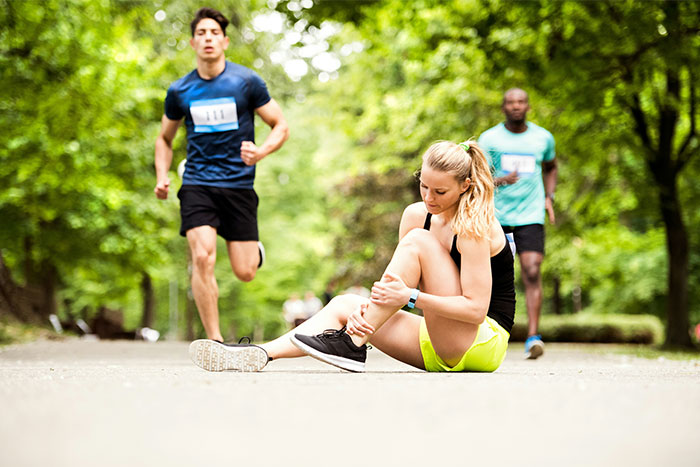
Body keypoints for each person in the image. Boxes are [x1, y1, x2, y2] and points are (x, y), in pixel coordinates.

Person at [188, 140, 515, 373]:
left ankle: (352, 341)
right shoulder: (418, 215)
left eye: (439, 192)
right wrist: (377, 309)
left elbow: (474, 310)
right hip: (437, 338)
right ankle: (259, 354)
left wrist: (410, 297)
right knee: (345, 304)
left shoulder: (475, 225)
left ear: (466, 185)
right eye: (423, 186)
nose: (428, 198)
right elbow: (397, 290)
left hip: (480, 342)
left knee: (417, 241)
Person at [154, 7, 289, 343]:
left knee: (244, 272)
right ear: (192, 42)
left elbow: (280, 125)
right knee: (202, 257)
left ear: (225, 41)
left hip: (239, 185)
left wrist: (261, 152)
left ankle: (254, 252)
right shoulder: (180, 90)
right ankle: (214, 340)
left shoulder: (246, 82)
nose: (208, 38)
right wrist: (162, 174)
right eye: (201, 33)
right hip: (198, 182)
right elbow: (164, 138)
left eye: (214, 33)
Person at [478, 88, 557, 359]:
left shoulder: (542, 138)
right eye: (510, 102)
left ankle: (533, 337)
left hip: (531, 214)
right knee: (491, 274)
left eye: (521, 102)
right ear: (503, 108)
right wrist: (500, 180)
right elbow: (477, 176)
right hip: (496, 215)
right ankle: (485, 331)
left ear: (528, 107)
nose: (516, 106)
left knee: (532, 270)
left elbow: (551, 166)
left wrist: (549, 197)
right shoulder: (489, 139)